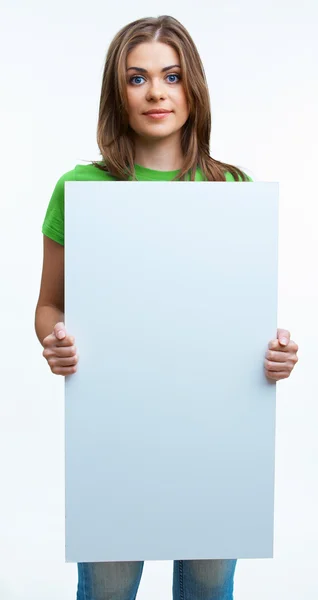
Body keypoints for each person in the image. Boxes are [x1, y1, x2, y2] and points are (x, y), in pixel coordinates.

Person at [34, 14, 299, 600]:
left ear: (192, 88)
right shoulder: (80, 188)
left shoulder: (232, 189)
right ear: (117, 93)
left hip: (215, 437)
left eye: (172, 76)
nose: (156, 92)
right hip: (114, 434)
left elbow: (240, 328)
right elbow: (49, 306)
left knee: (208, 588)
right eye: (137, 79)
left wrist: (276, 354)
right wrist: (55, 341)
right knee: (105, 590)